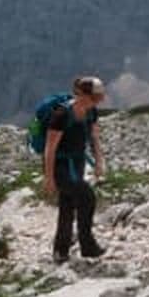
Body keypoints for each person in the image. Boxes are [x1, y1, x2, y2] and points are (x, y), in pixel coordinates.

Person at [43, 76, 107, 263]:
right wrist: (49, 178)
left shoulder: (91, 112)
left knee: (67, 205)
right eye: (96, 97)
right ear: (83, 95)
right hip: (60, 165)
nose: (100, 100)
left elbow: (94, 137)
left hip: (77, 162)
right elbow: (50, 148)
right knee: (87, 196)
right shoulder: (62, 114)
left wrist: (99, 161)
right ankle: (87, 245)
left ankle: (60, 250)